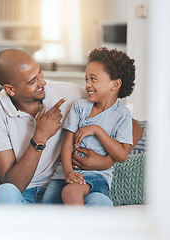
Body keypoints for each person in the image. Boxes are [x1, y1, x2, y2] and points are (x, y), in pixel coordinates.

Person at [0, 49, 142, 206]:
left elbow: (133, 127)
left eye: (40, 72)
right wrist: (40, 138)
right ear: (10, 89)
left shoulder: (67, 93)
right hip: (24, 195)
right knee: (4, 192)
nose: (42, 82)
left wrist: (106, 161)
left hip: (64, 189)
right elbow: (13, 184)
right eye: (32, 81)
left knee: (100, 202)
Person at [60, 47, 135, 205]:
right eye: (86, 79)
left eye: (93, 79)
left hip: (97, 177)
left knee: (71, 191)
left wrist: (97, 130)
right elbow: (67, 144)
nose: (87, 85)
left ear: (115, 85)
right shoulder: (79, 107)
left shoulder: (122, 115)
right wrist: (68, 172)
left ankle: (79, 230)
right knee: (48, 202)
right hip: (68, 173)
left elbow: (121, 155)